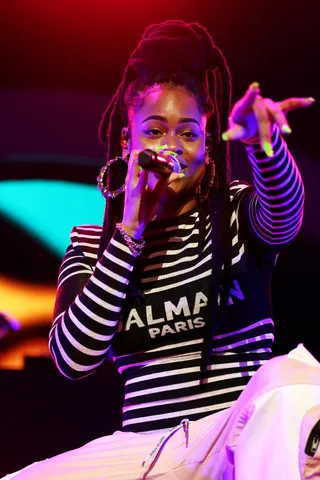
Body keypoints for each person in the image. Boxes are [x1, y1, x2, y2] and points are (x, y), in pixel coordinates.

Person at [4, 19, 320, 480]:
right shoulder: (93, 243)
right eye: (155, 131)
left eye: (189, 133)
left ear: (208, 147)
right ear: (128, 140)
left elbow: (284, 216)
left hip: (234, 434)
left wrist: (263, 145)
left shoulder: (231, 212)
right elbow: (73, 359)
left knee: (292, 386)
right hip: (143, 448)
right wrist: (129, 233)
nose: (171, 146)